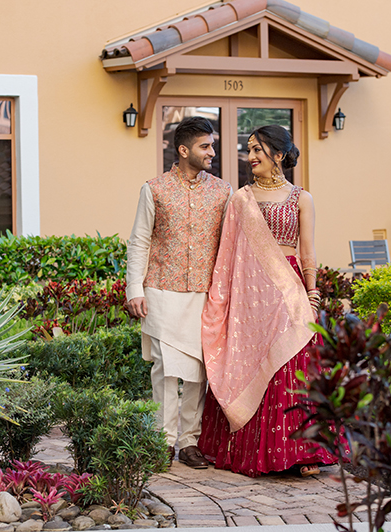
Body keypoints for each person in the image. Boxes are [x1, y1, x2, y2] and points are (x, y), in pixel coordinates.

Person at [197, 125, 343, 477]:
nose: (251, 157)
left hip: (288, 288)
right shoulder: (241, 198)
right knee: (254, 362)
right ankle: (253, 451)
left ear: (278, 155)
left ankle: (304, 452)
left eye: (258, 150)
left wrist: (311, 291)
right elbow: (228, 253)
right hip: (251, 295)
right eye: (249, 150)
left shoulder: (300, 198)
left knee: (293, 366)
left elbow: (307, 251)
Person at [126, 116, 232, 469]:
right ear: (184, 149)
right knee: (166, 370)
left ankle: (189, 441)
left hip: (204, 293)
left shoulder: (222, 191)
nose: (212, 152)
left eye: (212, 145)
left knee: (199, 371)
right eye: (205, 146)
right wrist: (134, 289)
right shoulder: (154, 189)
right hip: (161, 290)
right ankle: (163, 441)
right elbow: (140, 241)